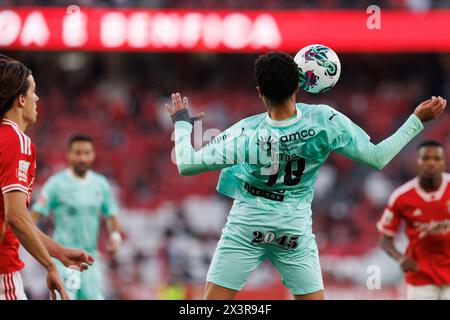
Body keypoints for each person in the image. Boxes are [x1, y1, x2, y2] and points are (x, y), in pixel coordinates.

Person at [164, 51, 446, 300]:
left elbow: (186, 164)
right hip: (293, 232)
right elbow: (377, 157)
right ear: (299, 85)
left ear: (259, 90)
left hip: (246, 228)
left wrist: (182, 125)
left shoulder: (244, 134)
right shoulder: (324, 121)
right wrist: (416, 121)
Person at [0, 54, 94, 300]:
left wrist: (58, 252)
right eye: (33, 92)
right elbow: (16, 217)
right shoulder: (16, 141)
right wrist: (50, 266)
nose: (37, 98)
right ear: (21, 100)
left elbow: (15, 217)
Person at [32, 134, 121, 300]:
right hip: (64, 259)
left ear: (93, 155)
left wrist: (115, 236)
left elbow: (111, 214)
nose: (82, 158)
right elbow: (33, 217)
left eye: (86, 153)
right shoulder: (56, 184)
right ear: (69, 155)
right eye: (77, 153)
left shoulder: (100, 184)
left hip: (91, 260)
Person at [378, 140, 450, 300]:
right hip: (420, 278)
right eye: (425, 159)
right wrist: (400, 258)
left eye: (436, 159)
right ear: (416, 164)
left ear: (443, 163)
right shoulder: (401, 197)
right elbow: (385, 238)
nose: (431, 163)